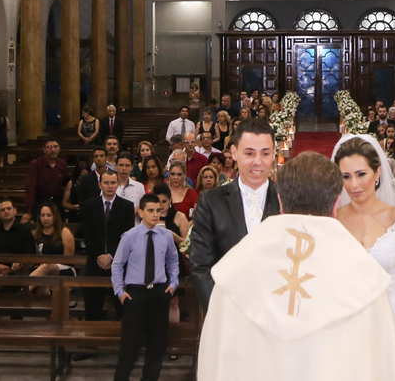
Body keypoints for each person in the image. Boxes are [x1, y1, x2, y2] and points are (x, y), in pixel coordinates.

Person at [197, 151, 395, 381]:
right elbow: (386, 368)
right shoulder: (365, 279)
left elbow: (212, 364)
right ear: (337, 201)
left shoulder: (235, 273)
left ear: (279, 200)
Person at [330, 134, 395, 372]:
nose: (354, 185)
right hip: (343, 333)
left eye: (361, 174)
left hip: (391, 331)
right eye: (346, 177)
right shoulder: (332, 222)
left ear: (377, 172)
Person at [188, 117, 280, 310]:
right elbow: (201, 265)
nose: (258, 161)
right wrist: (221, 313)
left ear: (273, 154)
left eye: (265, 153)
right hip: (227, 313)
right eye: (249, 153)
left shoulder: (288, 200)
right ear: (234, 153)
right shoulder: (211, 201)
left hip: (278, 316)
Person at [112, 194, 180, 381]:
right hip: (136, 294)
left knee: (157, 345)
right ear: (141, 212)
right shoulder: (130, 237)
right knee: (130, 345)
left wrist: (173, 284)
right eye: (150, 210)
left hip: (159, 292)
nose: (155, 214)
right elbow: (117, 264)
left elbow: (173, 261)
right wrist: (120, 292)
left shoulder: (166, 236)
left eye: (158, 210)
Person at [81, 168, 136, 321]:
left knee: (123, 307)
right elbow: (87, 234)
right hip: (95, 261)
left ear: (118, 184)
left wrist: (111, 256)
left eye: (113, 183)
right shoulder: (89, 205)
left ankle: (125, 342)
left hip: (119, 262)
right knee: (92, 306)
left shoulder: (126, 206)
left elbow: (127, 235)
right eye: (106, 183)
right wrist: (101, 257)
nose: (110, 186)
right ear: (100, 185)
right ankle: (90, 341)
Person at [22, 140, 71, 223]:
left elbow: (67, 184)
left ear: (59, 149)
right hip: (41, 201)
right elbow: (30, 187)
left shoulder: (62, 164)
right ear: (44, 149)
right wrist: (28, 211)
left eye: (55, 147)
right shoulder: (35, 164)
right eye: (49, 147)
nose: (53, 150)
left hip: (57, 202)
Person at [29, 202, 77, 282]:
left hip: (64, 268)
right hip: (40, 268)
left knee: (47, 266)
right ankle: (26, 290)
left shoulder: (64, 232)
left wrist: (51, 264)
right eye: (42, 215)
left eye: (49, 215)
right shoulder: (35, 234)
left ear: (55, 216)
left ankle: (24, 289)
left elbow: (68, 259)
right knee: (40, 286)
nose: (45, 218)